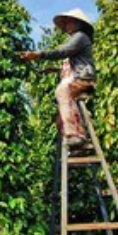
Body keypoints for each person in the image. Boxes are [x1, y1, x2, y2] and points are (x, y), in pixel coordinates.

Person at [21, 8, 96, 151]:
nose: (66, 25)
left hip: (84, 78)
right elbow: (73, 64)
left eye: (69, 22)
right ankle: (77, 144)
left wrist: (38, 55)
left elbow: (61, 52)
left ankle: (76, 135)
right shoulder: (76, 40)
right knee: (61, 114)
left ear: (78, 24)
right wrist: (55, 70)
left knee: (62, 90)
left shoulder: (80, 37)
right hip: (79, 76)